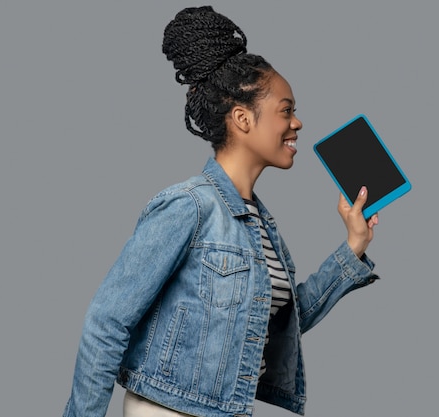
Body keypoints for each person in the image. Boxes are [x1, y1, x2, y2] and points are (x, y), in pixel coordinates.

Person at [62, 5, 380, 417]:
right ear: (243, 119)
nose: (298, 123)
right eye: (286, 110)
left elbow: (284, 321)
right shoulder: (188, 206)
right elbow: (106, 322)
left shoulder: (260, 224)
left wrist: (354, 246)